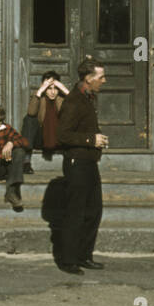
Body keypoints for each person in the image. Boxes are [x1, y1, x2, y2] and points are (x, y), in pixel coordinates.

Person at [54, 56, 108, 275]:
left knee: (93, 211)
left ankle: (84, 255)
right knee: (76, 211)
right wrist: (90, 140)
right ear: (88, 78)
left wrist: (96, 139)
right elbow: (62, 135)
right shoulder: (74, 101)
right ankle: (68, 260)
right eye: (101, 77)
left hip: (89, 162)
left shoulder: (88, 97)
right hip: (77, 163)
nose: (104, 81)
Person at [23, 70, 69, 164]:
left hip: (60, 138)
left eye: (55, 88)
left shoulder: (63, 98)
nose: (53, 92)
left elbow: (77, 108)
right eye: (49, 88)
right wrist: (40, 90)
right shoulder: (39, 96)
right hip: (42, 138)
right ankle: (26, 160)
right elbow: (31, 113)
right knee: (29, 120)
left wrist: (64, 89)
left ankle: (71, 159)